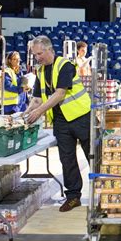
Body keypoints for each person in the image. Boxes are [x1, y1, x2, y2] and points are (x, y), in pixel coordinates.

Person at [25, 35, 91, 212]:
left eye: (39, 53)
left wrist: (39, 112)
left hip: (81, 117)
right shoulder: (40, 72)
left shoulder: (65, 65)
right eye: (35, 55)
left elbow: (60, 93)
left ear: (49, 50)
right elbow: (37, 98)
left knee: (93, 155)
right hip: (61, 122)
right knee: (67, 159)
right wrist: (27, 111)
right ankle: (73, 197)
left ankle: (103, 192)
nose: (37, 58)